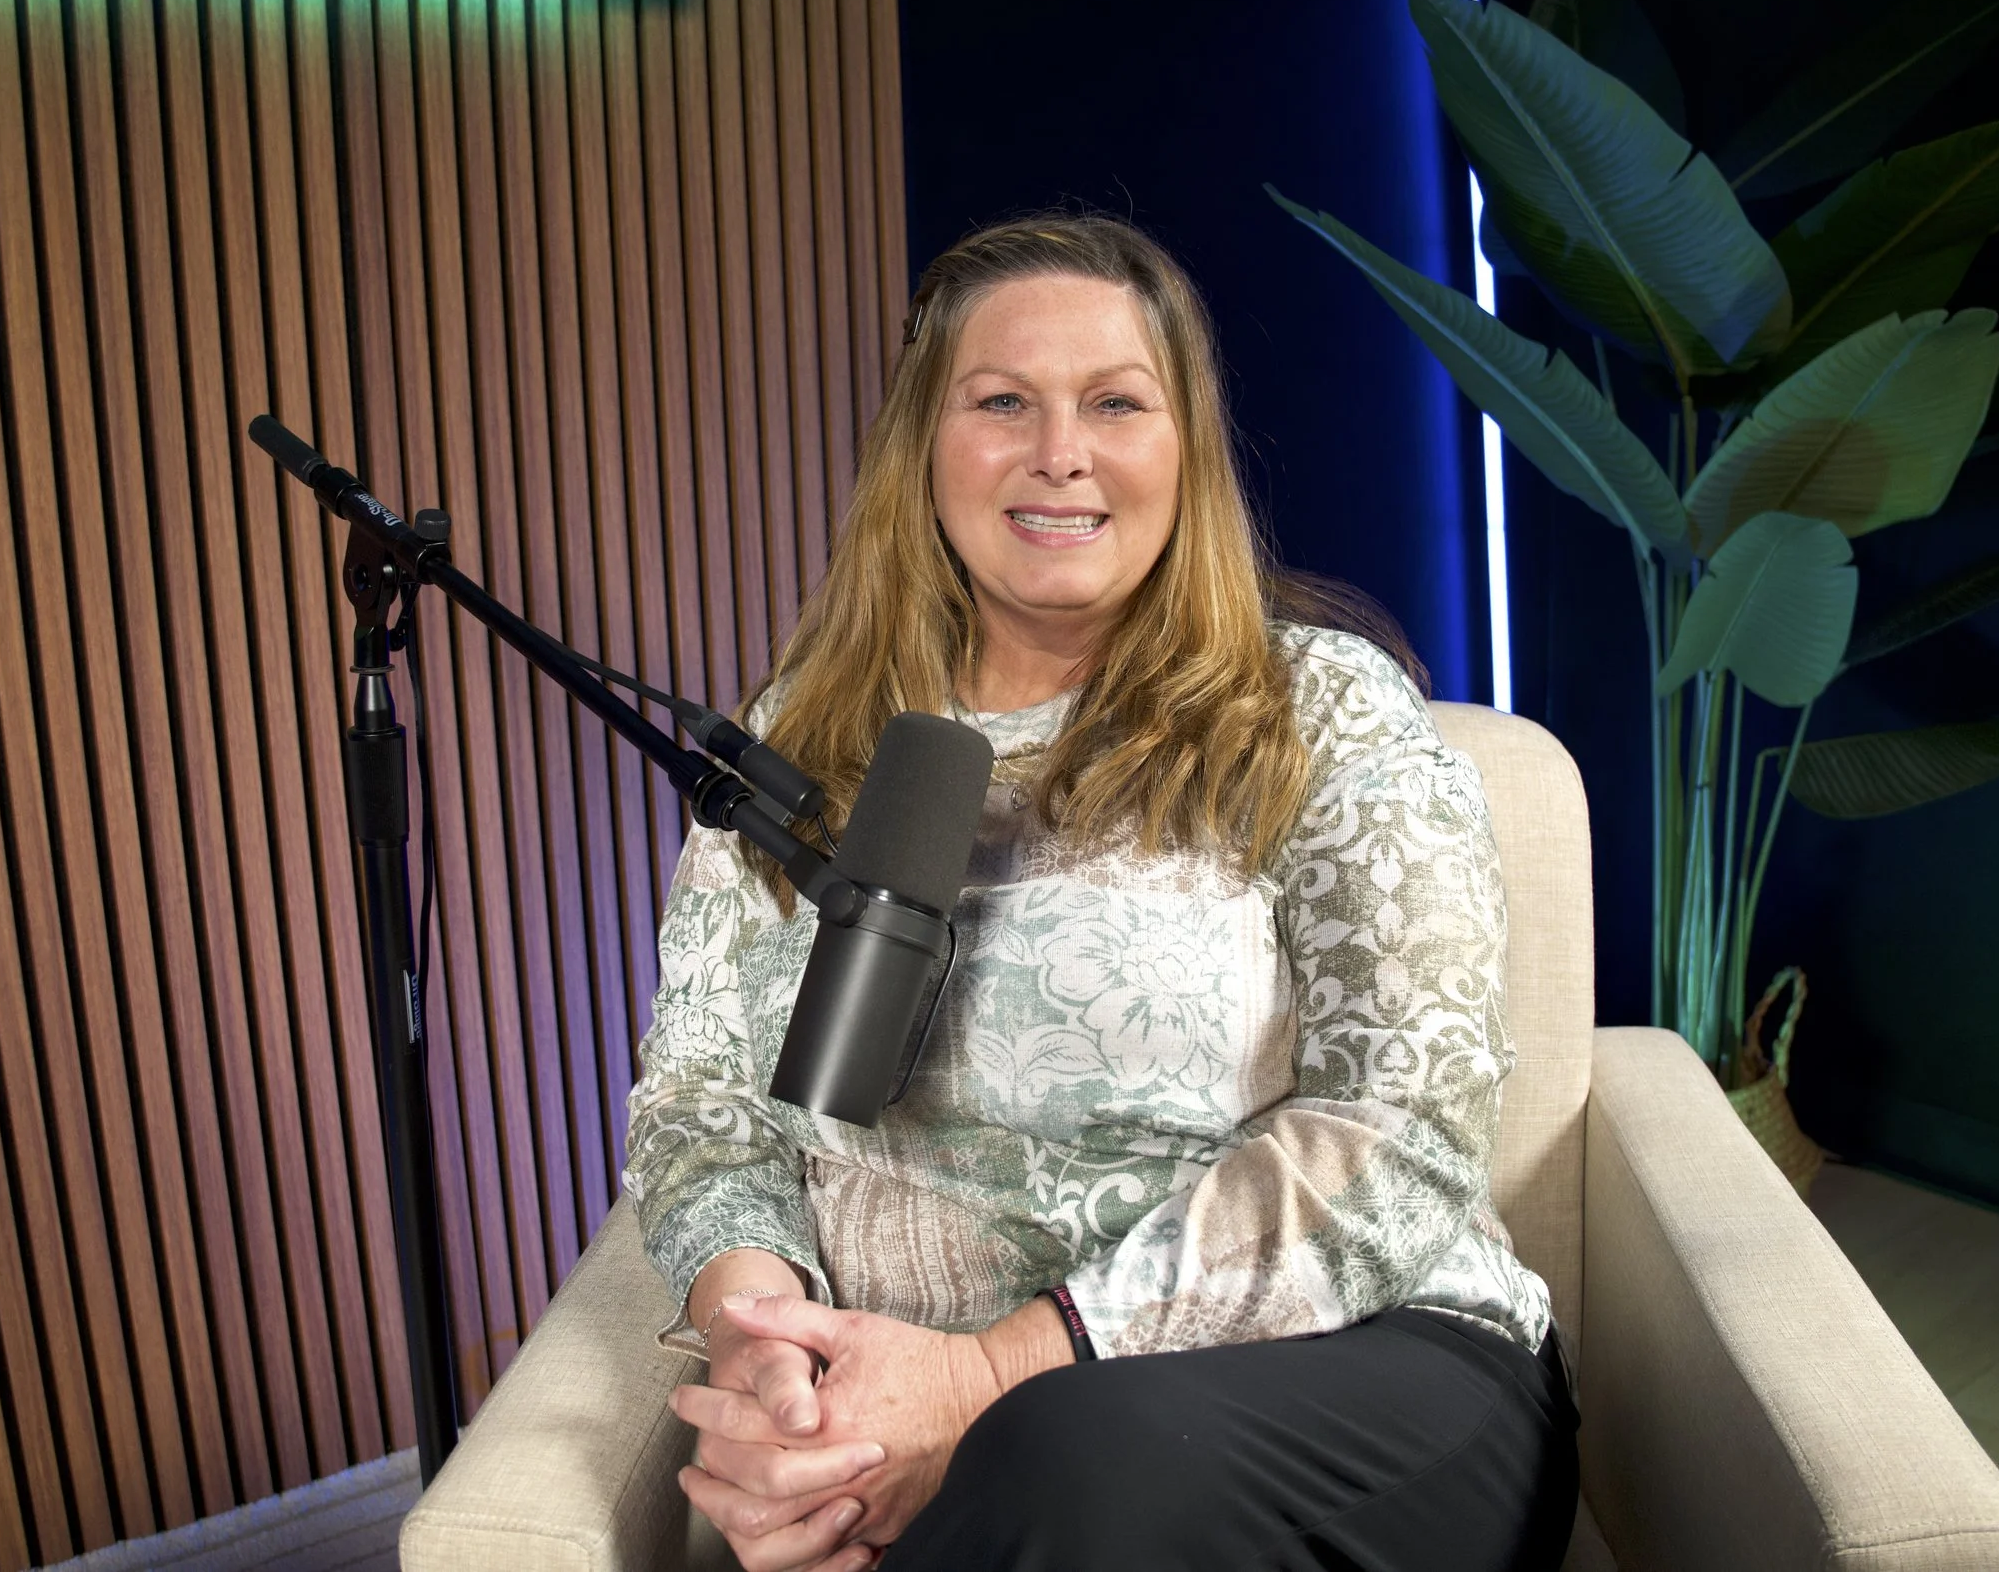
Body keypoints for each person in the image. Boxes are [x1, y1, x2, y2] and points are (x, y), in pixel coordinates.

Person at [622, 212, 1575, 1572]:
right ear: (922, 449)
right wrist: (773, 1357)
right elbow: (704, 1111)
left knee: (1061, 1454)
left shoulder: (1322, 711)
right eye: (1002, 400)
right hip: (921, 1400)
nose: (1058, 451)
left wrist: (992, 1376)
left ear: (1181, 447)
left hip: (1357, 1359)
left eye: (1115, 403)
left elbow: (1402, 1127)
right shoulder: (803, 740)